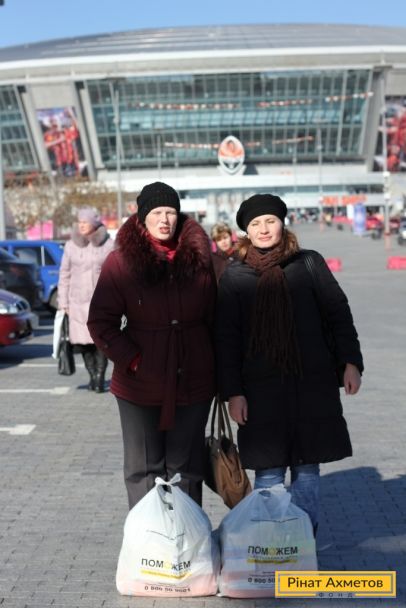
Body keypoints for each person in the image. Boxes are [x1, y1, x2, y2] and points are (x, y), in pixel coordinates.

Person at [215, 193, 363, 535]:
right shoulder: (235, 276)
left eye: (270, 221)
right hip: (259, 391)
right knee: (268, 472)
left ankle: (304, 542)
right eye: (255, 224)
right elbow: (226, 340)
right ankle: (272, 543)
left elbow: (338, 314)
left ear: (283, 223)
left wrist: (351, 362)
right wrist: (233, 393)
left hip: (311, 384)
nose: (264, 229)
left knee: (307, 470)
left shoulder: (309, 263)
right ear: (246, 231)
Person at [87, 181, 216, 509]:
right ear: (142, 217)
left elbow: (218, 318)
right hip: (139, 385)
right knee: (143, 469)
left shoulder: (201, 259)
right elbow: (100, 322)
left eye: (170, 212)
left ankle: (186, 538)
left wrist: (216, 368)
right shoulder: (121, 262)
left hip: (194, 380)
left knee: (186, 469)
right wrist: (133, 360)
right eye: (157, 212)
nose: (164, 219)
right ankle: (149, 539)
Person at [57, 207, 114, 392]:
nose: (81, 225)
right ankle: (92, 375)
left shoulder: (108, 245)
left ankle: (99, 377)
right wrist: (63, 302)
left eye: (85, 222)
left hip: (101, 303)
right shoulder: (71, 246)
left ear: (94, 223)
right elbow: (64, 275)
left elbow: (115, 273)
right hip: (77, 304)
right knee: (83, 343)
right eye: (79, 222)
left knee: (100, 342)